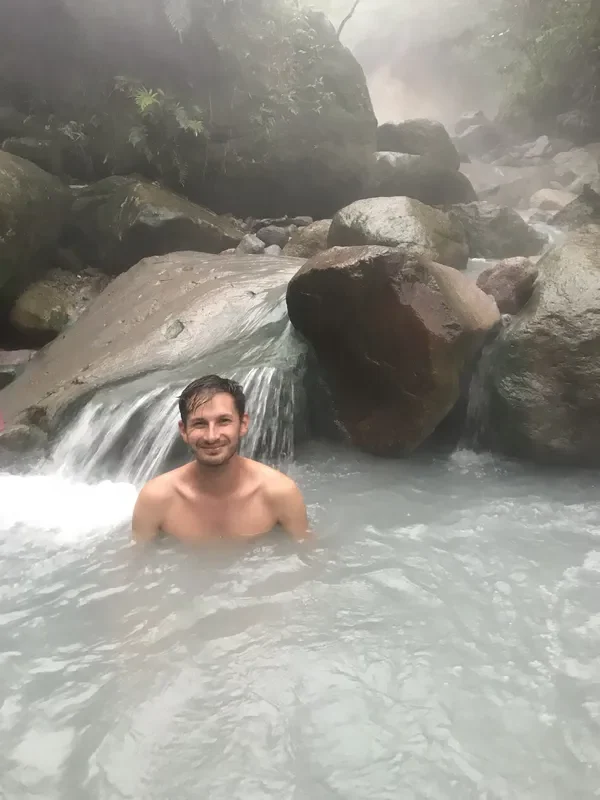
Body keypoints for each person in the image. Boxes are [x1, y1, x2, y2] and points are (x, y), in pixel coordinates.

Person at [131, 374, 311, 543]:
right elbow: (135, 566)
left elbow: (308, 561)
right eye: (199, 424)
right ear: (184, 430)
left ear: (243, 424)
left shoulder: (279, 494)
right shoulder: (156, 499)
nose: (212, 436)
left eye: (223, 421)